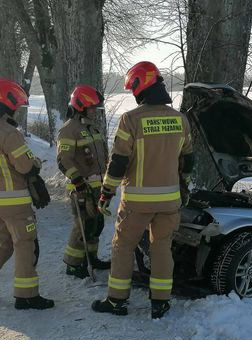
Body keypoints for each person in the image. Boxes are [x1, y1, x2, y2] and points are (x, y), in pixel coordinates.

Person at [92, 61, 194, 319]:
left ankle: (117, 301)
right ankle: (160, 303)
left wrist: (106, 192)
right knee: (161, 248)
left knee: (123, 246)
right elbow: (188, 161)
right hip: (170, 202)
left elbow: (119, 162)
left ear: (140, 87)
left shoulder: (130, 120)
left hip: (137, 202)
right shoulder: (180, 119)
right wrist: (183, 185)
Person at [0, 78, 54, 310]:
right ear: (8, 104)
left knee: (3, 242)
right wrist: (36, 162)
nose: (17, 110)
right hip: (14, 202)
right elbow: (26, 166)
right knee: (26, 244)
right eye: (16, 106)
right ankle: (27, 296)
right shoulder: (9, 133)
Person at [57, 85, 110, 278]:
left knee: (97, 224)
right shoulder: (69, 130)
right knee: (83, 227)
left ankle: (91, 258)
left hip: (98, 188)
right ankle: (73, 264)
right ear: (81, 106)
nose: (95, 111)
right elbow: (63, 160)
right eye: (92, 107)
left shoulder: (92, 127)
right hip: (82, 189)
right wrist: (78, 181)